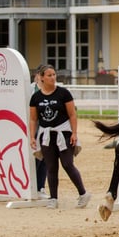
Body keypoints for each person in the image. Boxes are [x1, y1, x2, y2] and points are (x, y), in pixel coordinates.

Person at [29, 65, 90, 209]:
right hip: (46, 135)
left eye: (54, 74)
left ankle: (83, 193)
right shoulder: (36, 97)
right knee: (51, 167)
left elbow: (72, 115)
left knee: (67, 164)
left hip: (64, 133)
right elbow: (33, 119)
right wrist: (32, 136)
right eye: (49, 75)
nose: (52, 77)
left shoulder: (63, 93)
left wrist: (74, 133)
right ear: (41, 77)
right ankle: (53, 198)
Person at [30, 65, 47, 198]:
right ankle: (31, 185)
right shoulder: (30, 89)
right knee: (35, 157)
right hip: (34, 128)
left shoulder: (51, 89)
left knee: (45, 158)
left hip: (47, 128)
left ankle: (40, 187)